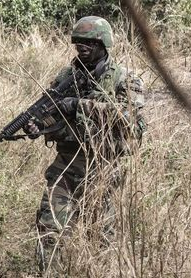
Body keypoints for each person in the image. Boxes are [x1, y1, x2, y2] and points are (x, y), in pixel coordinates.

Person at [24, 16, 146, 270]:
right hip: (66, 165)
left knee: (99, 236)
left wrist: (80, 105)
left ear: (104, 44)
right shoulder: (66, 76)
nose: (82, 47)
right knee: (49, 229)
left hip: (102, 168)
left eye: (89, 42)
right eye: (78, 42)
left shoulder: (124, 78)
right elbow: (51, 111)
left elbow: (129, 119)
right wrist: (39, 126)